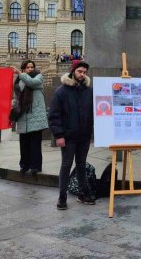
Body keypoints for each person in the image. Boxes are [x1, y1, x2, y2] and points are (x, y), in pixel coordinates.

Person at [48, 60, 95, 210]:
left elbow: (94, 112)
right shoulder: (61, 92)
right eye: (80, 71)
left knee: (81, 165)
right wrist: (58, 135)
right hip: (68, 136)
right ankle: (62, 197)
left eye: (85, 73)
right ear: (73, 71)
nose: (82, 75)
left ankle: (83, 193)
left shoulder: (89, 91)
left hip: (84, 136)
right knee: (66, 165)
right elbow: (54, 115)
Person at [11, 60, 49, 175]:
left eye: (32, 67)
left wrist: (20, 74)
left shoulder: (38, 77)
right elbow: (16, 96)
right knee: (24, 143)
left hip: (35, 116)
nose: (30, 69)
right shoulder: (20, 81)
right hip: (23, 116)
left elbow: (31, 83)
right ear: (24, 69)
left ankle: (35, 166)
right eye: (27, 67)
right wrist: (13, 104)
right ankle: (24, 165)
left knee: (35, 143)